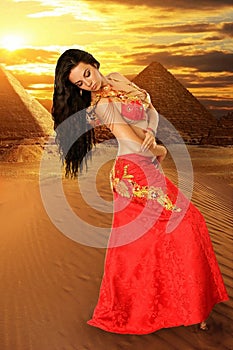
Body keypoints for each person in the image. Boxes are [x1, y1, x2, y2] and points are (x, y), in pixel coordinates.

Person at [52, 49, 229, 335]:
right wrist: (159, 148)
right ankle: (172, 306)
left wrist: (151, 132)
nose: (89, 83)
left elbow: (151, 110)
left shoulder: (118, 79)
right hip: (133, 171)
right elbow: (131, 143)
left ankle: (180, 304)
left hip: (147, 166)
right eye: (81, 84)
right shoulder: (102, 105)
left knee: (147, 242)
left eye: (87, 73)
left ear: (94, 63)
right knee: (187, 223)